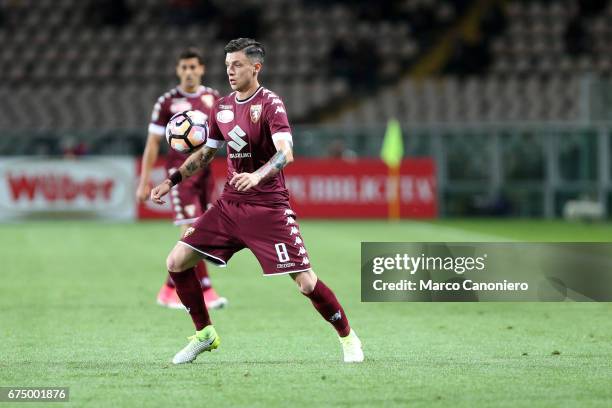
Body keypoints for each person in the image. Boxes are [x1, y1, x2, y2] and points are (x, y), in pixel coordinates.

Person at [151, 38, 364, 364]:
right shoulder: (220, 107)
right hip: (229, 207)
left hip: (268, 208)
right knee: (176, 262)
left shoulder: (270, 104)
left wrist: (256, 176)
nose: (230, 71)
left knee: (306, 283)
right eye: (227, 65)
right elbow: (207, 152)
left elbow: (285, 153)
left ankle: (348, 338)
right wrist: (172, 179)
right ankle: (205, 334)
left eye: (236, 65)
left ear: (256, 67)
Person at [137, 48, 228, 310]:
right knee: (192, 231)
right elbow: (153, 143)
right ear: (178, 70)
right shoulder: (167, 102)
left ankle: (167, 290)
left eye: (193, 67)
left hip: (206, 174)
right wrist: (144, 180)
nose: (189, 72)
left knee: (201, 230)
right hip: (180, 176)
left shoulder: (212, 97)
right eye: (184, 67)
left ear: (201, 69)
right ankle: (206, 291)